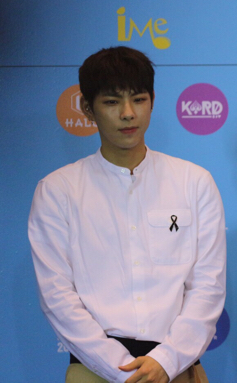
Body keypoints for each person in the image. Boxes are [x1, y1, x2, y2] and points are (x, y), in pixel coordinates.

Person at [28, 46, 226, 383]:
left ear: (152, 101)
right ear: (87, 108)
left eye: (138, 99)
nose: (128, 113)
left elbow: (208, 286)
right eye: (111, 102)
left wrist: (166, 361)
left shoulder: (194, 182)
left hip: (177, 368)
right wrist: (121, 369)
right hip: (94, 371)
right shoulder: (58, 191)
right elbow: (57, 297)